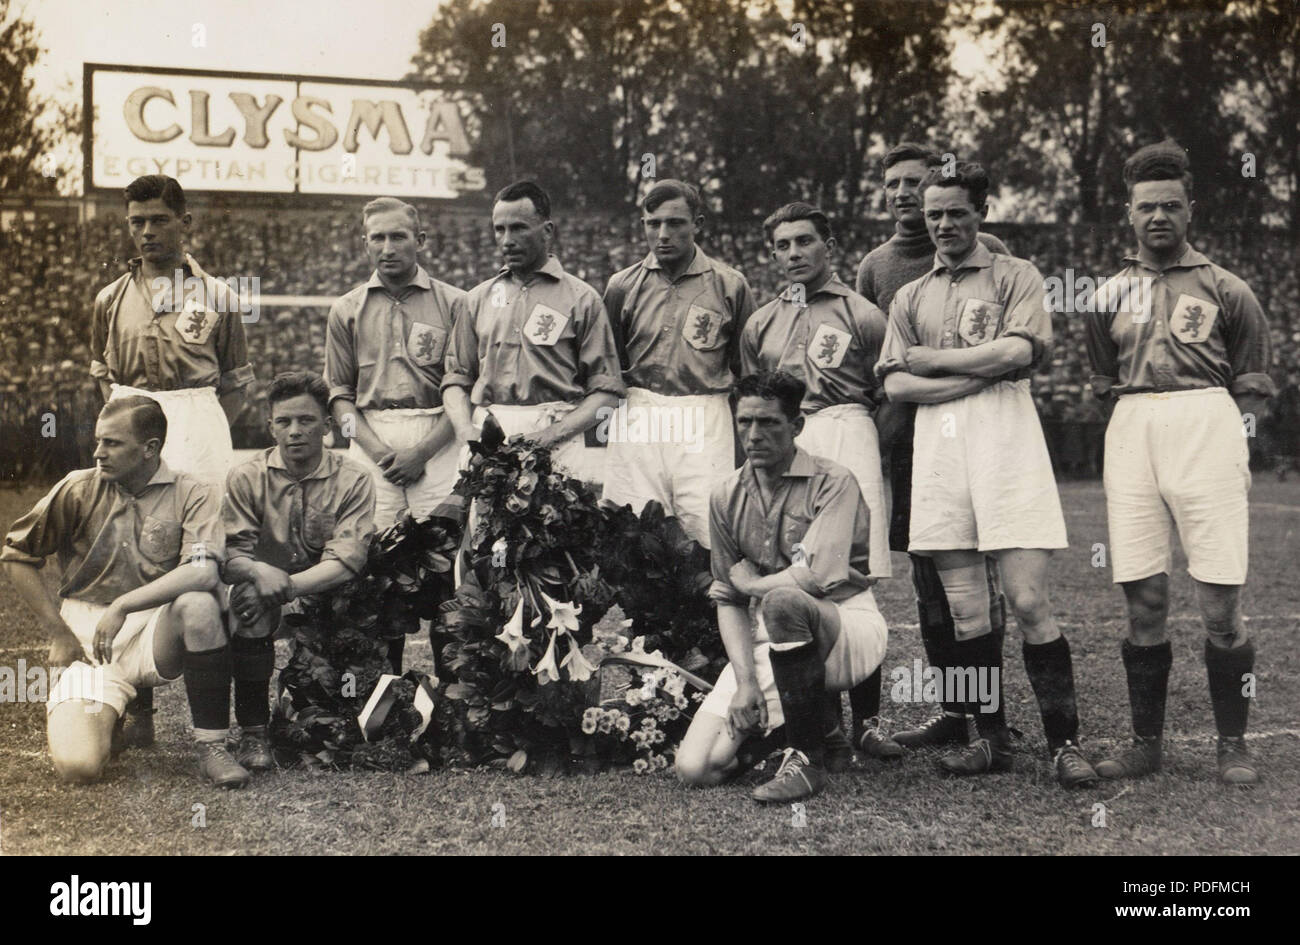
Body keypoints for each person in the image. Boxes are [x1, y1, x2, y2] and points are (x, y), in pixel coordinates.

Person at [878, 161, 1097, 787]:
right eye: (934, 213)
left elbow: (1020, 351)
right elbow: (895, 381)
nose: (944, 223)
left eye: (957, 212)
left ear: (982, 213)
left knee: (1027, 600)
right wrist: (975, 374)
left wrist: (940, 364)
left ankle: (1065, 744)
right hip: (940, 449)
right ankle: (992, 742)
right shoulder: (909, 295)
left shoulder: (1015, 274)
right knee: (967, 612)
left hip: (1006, 436)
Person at [1084, 141, 1274, 785]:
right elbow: (1102, 377)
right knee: (1144, 594)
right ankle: (1146, 745)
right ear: (1129, 215)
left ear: (1190, 209)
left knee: (1220, 599)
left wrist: (1233, 441)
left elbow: (1251, 380)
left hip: (1207, 422)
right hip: (1134, 423)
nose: (1158, 216)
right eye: (1146, 207)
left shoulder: (1228, 288)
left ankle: (1234, 744)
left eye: (1171, 205)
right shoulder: (1107, 294)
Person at [87, 174, 254, 747]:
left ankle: (221, 723)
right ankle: (142, 711)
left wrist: (196, 424)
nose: (147, 231)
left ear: (186, 222)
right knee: (132, 554)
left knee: (205, 563)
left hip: (198, 418)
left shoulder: (221, 297)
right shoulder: (109, 297)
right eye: (137, 221)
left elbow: (235, 384)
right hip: (133, 414)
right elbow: (102, 376)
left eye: (159, 219)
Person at [0, 397, 244, 787]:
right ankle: (115, 718)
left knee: (198, 606)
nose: (98, 452)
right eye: (98, 441)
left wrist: (124, 604)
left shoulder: (191, 491)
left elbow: (202, 571)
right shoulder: (77, 487)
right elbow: (15, 555)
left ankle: (212, 746)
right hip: (87, 636)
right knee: (79, 767)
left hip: (154, 627)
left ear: (150, 448)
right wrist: (58, 633)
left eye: (112, 443)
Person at [856, 144, 1009, 751]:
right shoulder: (876, 267)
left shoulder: (992, 256)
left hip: (974, 436)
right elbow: (878, 363)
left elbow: (1001, 349)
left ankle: (989, 718)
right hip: (911, 447)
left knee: (975, 583)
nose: (900, 194)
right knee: (928, 583)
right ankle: (953, 711)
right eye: (893, 184)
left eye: (911, 182)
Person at [675, 372, 889, 802]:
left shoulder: (834, 481)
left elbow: (813, 579)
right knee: (696, 769)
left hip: (847, 624)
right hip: (774, 633)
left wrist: (752, 584)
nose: (754, 435)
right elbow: (729, 599)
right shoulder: (725, 495)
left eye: (769, 422)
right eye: (744, 422)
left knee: (784, 600)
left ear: (797, 426)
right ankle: (819, 723)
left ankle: (806, 759)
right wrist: (745, 682)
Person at [740, 202, 899, 767]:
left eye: (804, 242)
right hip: (791, 446)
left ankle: (869, 724)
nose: (793, 254)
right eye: (782, 246)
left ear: (828, 244)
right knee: (799, 576)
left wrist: (864, 446)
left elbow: (891, 395)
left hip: (848, 434)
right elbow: (754, 394)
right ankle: (820, 729)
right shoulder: (761, 321)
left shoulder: (863, 315)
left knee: (854, 579)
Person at [325, 197, 463, 672]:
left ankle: (454, 694)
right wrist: (379, 449)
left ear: (420, 241)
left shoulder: (455, 303)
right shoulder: (346, 309)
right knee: (376, 572)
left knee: (449, 570)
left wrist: (422, 450)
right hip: (372, 441)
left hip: (440, 437)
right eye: (377, 238)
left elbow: (465, 391)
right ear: (365, 243)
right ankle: (384, 699)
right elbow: (339, 397)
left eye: (398, 236)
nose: (387, 247)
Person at [221, 372, 376, 773]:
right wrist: (258, 573)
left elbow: (347, 560)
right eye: (284, 422)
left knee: (334, 714)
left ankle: (359, 714)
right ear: (269, 425)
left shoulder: (355, 479)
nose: (295, 431)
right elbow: (231, 556)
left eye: (306, 420)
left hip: (330, 594)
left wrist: (284, 585)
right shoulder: (245, 477)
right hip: (267, 592)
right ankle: (254, 731)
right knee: (247, 602)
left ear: (327, 425)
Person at [601, 180, 755, 546]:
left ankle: (709, 604)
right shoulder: (622, 285)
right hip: (640, 412)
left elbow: (745, 368)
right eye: (653, 223)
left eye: (675, 223)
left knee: (706, 528)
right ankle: (643, 606)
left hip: (703, 412)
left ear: (698, 223)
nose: (663, 234)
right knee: (634, 528)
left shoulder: (730, 285)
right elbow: (610, 367)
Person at [442, 181, 625, 484]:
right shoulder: (477, 299)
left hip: (558, 437)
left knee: (555, 528)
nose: (507, 240)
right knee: (486, 530)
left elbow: (606, 392)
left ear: (548, 230)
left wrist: (548, 435)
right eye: (499, 229)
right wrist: (466, 431)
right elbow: (455, 379)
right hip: (490, 436)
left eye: (519, 228)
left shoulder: (582, 298)